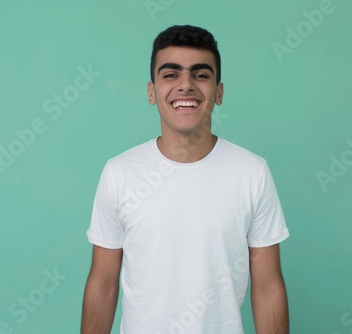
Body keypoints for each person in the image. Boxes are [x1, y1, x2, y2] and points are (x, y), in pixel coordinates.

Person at [81, 25, 290, 334]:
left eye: (201, 74)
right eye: (170, 74)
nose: (186, 86)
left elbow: (268, 286)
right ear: (152, 92)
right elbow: (103, 281)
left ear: (218, 92)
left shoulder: (252, 172)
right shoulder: (119, 172)